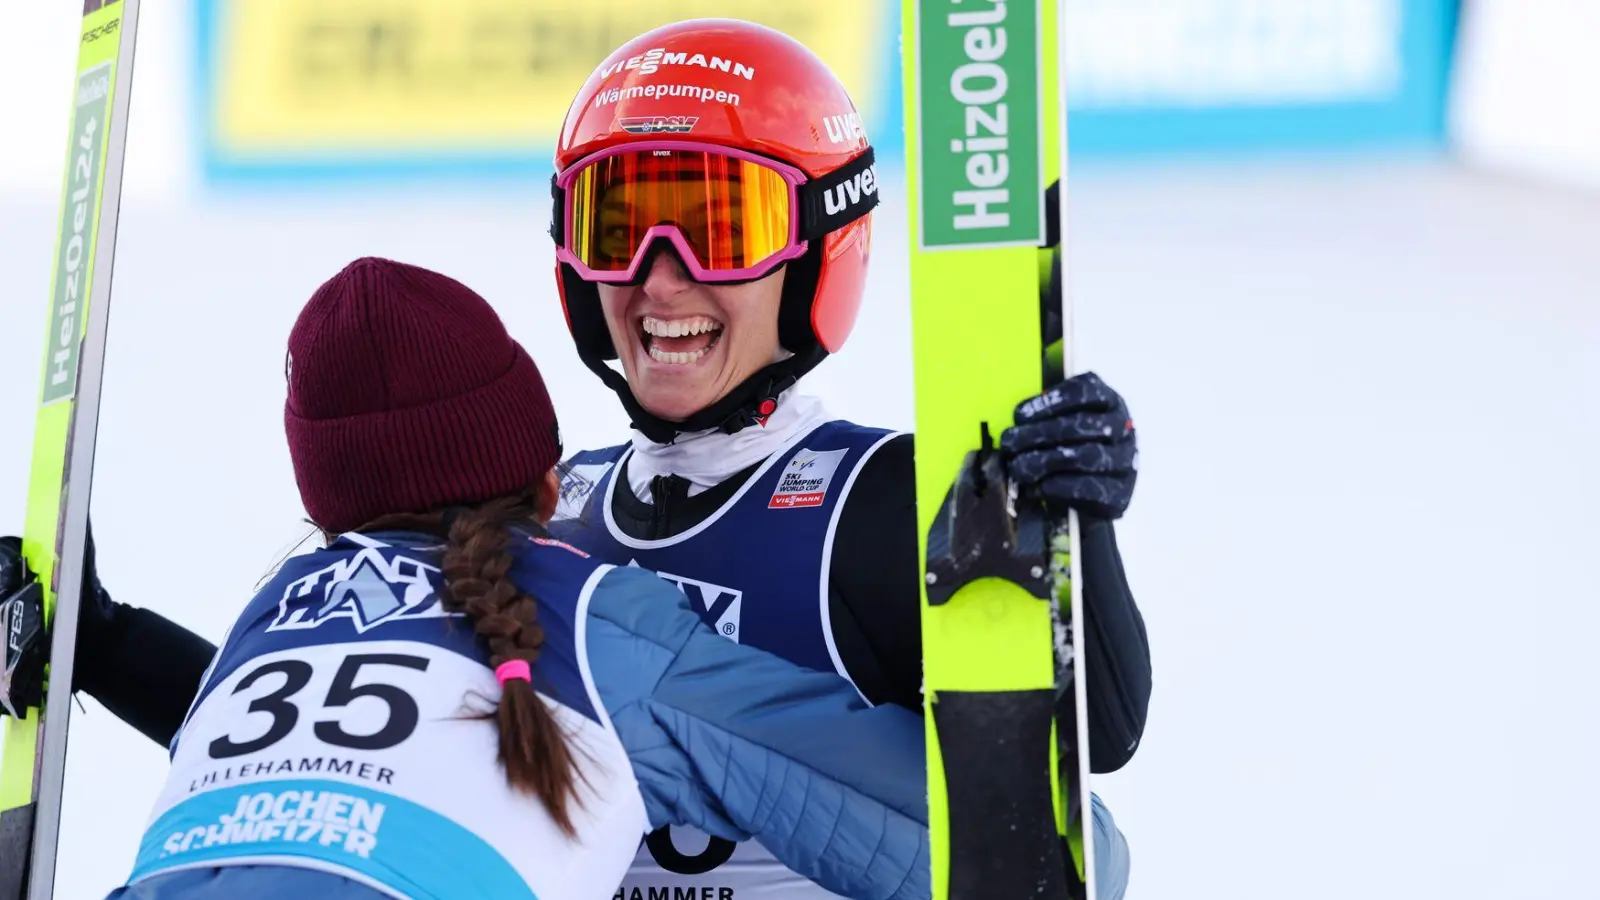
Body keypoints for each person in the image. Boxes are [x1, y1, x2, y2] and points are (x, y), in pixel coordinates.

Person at [2, 17, 1150, 900]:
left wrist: (1074, 530)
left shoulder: (872, 497)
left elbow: (1088, 751)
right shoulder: (555, 509)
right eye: (618, 227)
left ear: (817, 247)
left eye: (718, 226)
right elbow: (364, 736)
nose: (658, 276)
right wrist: (97, 649)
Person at [82, 257, 928, 900]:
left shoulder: (275, 611)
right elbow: (921, 827)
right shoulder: (596, 624)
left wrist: (102, 643)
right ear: (548, 486)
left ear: (326, 508)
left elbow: (316, 793)